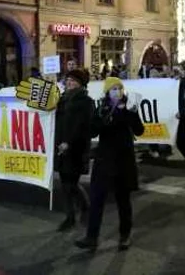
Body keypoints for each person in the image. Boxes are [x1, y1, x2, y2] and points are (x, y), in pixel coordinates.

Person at [75, 77, 144, 251]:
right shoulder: (101, 109)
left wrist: (130, 113)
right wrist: (103, 118)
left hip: (123, 161)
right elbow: (93, 131)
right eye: (113, 89)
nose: (117, 92)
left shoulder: (128, 108)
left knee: (123, 201)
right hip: (105, 161)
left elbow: (139, 130)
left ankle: (124, 235)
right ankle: (92, 237)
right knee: (97, 199)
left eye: (119, 89)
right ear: (107, 92)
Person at [55, 69, 94, 231]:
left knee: (71, 183)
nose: (69, 83)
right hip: (60, 147)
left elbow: (82, 127)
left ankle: (81, 209)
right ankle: (73, 214)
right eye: (68, 80)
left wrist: (69, 142)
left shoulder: (86, 101)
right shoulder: (62, 99)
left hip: (75, 149)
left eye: (73, 80)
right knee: (65, 183)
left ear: (81, 83)